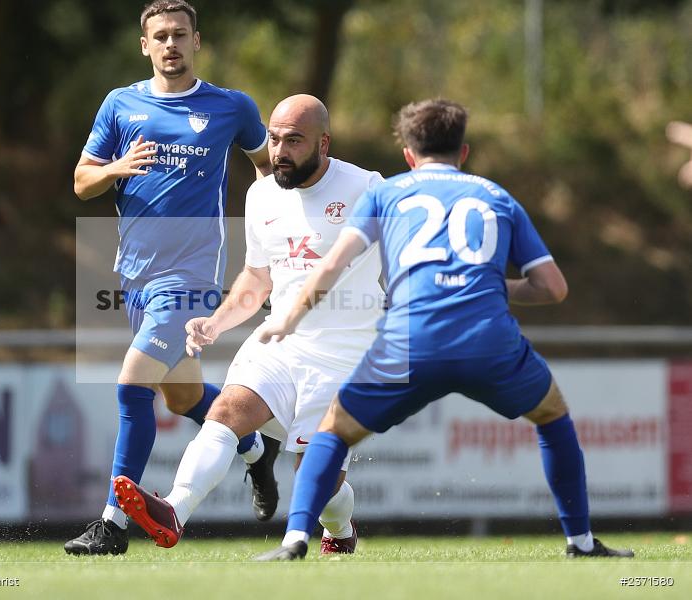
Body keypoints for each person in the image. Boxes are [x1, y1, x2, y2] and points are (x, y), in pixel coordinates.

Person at [253, 98, 635, 561]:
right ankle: (580, 541)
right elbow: (552, 288)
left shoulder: (386, 193)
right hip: (488, 342)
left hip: (412, 342)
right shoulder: (496, 196)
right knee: (553, 418)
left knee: (330, 433)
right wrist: (493, 285)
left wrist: (289, 318)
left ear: (409, 156)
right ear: (465, 152)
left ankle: (295, 540)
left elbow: (333, 264)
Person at [109, 94, 384, 554]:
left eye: (294, 140)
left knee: (317, 477)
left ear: (324, 143)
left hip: (348, 351)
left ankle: (340, 531)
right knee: (226, 412)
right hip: (281, 338)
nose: (279, 150)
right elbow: (257, 277)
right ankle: (174, 510)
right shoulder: (260, 195)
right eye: (274, 139)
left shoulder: (366, 188)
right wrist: (216, 323)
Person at [65, 0, 279, 556]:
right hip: (135, 278)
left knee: (132, 386)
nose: (170, 45)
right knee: (183, 398)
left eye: (179, 34)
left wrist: (274, 235)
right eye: (160, 36)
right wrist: (114, 169)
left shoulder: (230, 107)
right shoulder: (121, 105)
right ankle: (255, 450)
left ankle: (112, 525)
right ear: (145, 45)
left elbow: (267, 171)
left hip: (191, 279)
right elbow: (82, 182)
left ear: (196, 41)